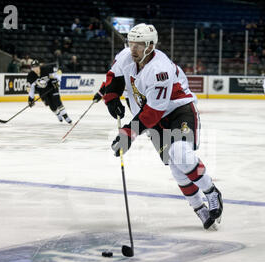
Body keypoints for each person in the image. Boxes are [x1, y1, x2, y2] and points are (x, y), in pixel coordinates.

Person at [93, 23, 223, 230]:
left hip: (177, 110)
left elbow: (154, 112)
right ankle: (199, 207)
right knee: (175, 163)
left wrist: (128, 133)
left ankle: (210, 191)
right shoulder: (127, 55)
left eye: (139, 45)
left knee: (180, 152)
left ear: (150, 45)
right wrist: (111, 97)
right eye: (131, 43)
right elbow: (114, 76)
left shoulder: (159, 70)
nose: (132, 49)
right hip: (150, 115)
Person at [27, 60, 72, 124]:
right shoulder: (30, 76)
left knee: (57, 101)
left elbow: (59, 72)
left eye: (36, 66)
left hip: (51, 87)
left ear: (39, 66)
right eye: (33, 67)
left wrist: (57, 80)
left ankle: (66, 116)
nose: (35, 69)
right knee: (51, 106)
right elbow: (31, 88)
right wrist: (30, 99)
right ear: (31, 68)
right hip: (42, 91)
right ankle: (58, 114)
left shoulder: (47, 69)